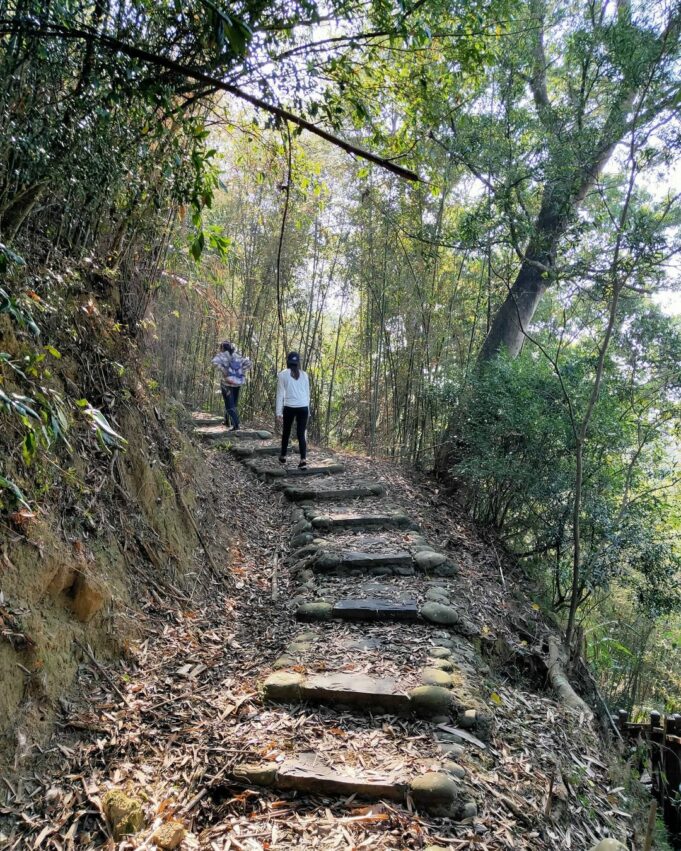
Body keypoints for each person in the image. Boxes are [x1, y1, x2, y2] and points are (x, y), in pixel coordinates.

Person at [276, 351, 310, 468]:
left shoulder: (282, 374)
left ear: (288, 362)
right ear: (298, 363)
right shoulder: (304, 375)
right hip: (303, 406)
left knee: (286, 432)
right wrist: (308, 410)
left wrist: (278, 412)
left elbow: (280, 394)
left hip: (289, 407)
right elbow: (307, 394)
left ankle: (283, 456)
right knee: (301, 434)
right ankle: (303, 459)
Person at [212, 341, 252, 430]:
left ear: (222, 348)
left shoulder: (222, 355)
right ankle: (227, 421)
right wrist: (241, 371)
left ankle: (236, 424)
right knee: (233, 403)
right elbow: (249, 363)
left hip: (227, 383)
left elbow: (214, 362)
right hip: (237, 384)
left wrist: (223, 370)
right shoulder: (237, 356)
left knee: (229, 404)